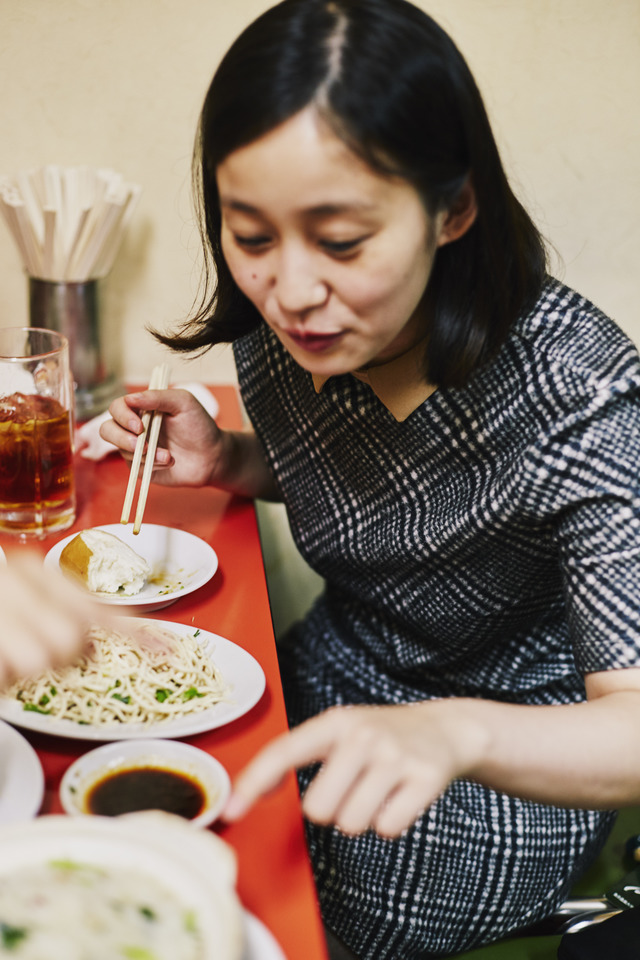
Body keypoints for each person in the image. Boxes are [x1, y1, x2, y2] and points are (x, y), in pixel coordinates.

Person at [100, 1, 640, 957]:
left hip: (508, 747)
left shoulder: (579, 393)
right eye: (252, 237)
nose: (292, 291)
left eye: (342, 242)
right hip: (336, 667)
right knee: (160, 789)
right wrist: (228, 461)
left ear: (454, 211)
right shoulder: (281, 337)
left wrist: (451, 735)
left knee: (287, 897)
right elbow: (374, 490)